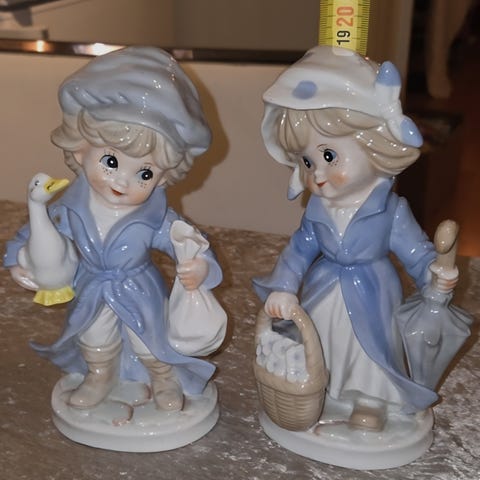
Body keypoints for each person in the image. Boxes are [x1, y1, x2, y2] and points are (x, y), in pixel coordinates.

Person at [4, 46, 222, 413]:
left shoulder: (156, 216)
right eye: (110, 161)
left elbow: (189, 241)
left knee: (147, 338)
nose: (123, 181)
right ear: (80, 151)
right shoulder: (70, 206)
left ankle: (163, 377)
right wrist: (16, 260)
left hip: (139, 289)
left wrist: (199, 266)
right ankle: (99, 376)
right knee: (94, 336)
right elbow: (33, 232)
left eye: (144, 173)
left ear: (164, 177)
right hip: (90, 287)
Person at [253, 45, 456, 429]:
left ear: (373, 145)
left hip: (373, 292)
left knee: (370, 351)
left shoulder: (390, 209)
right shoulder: (317, 210)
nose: (318, 174)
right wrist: (284, 287)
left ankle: (370, 400)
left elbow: (417, 251)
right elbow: (298, 250)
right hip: (323, 288)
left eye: (329, 156)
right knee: (321, 344)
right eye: (308, 162)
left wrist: (435, 274)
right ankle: (326, 389)